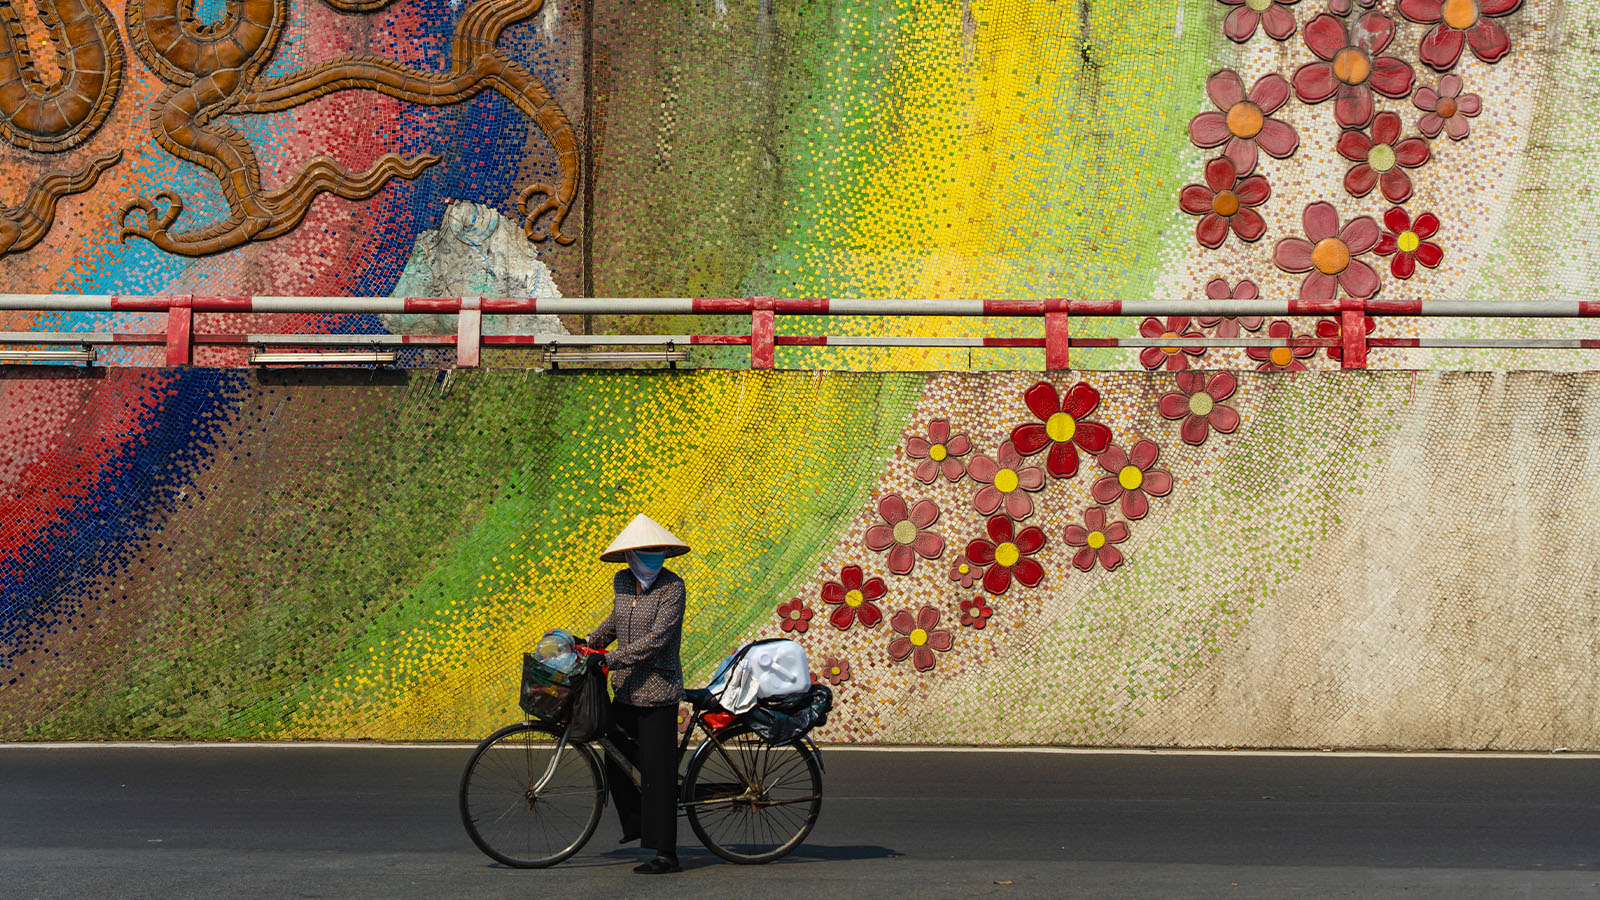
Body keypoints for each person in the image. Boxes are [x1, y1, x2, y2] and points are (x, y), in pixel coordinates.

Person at [584, 513, 689, 875]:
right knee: (615, 755)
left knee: (657, 774)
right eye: (644, 550)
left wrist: (609, 659)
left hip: (658, 691)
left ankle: (666, 853)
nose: (652, 555)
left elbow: (658, 639)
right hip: (626, 689)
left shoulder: (672, 587)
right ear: (630, 555)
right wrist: (587, 644)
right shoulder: (623, 582)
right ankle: (637, 826)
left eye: (656, 550)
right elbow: (614, 623)